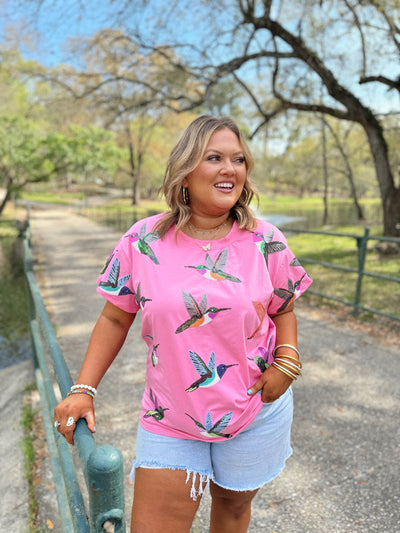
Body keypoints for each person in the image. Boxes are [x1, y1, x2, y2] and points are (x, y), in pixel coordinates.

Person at [54, 115, 312, 533]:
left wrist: (287, 361)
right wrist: (83, 389)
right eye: (214, 158)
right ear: (186, 171)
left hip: (254, 410)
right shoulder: (143, 240)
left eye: (238, 159)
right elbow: (116, 317)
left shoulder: (267, 241)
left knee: (231, 509)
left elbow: (284, 308)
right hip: (170, 415)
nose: (231, 169)